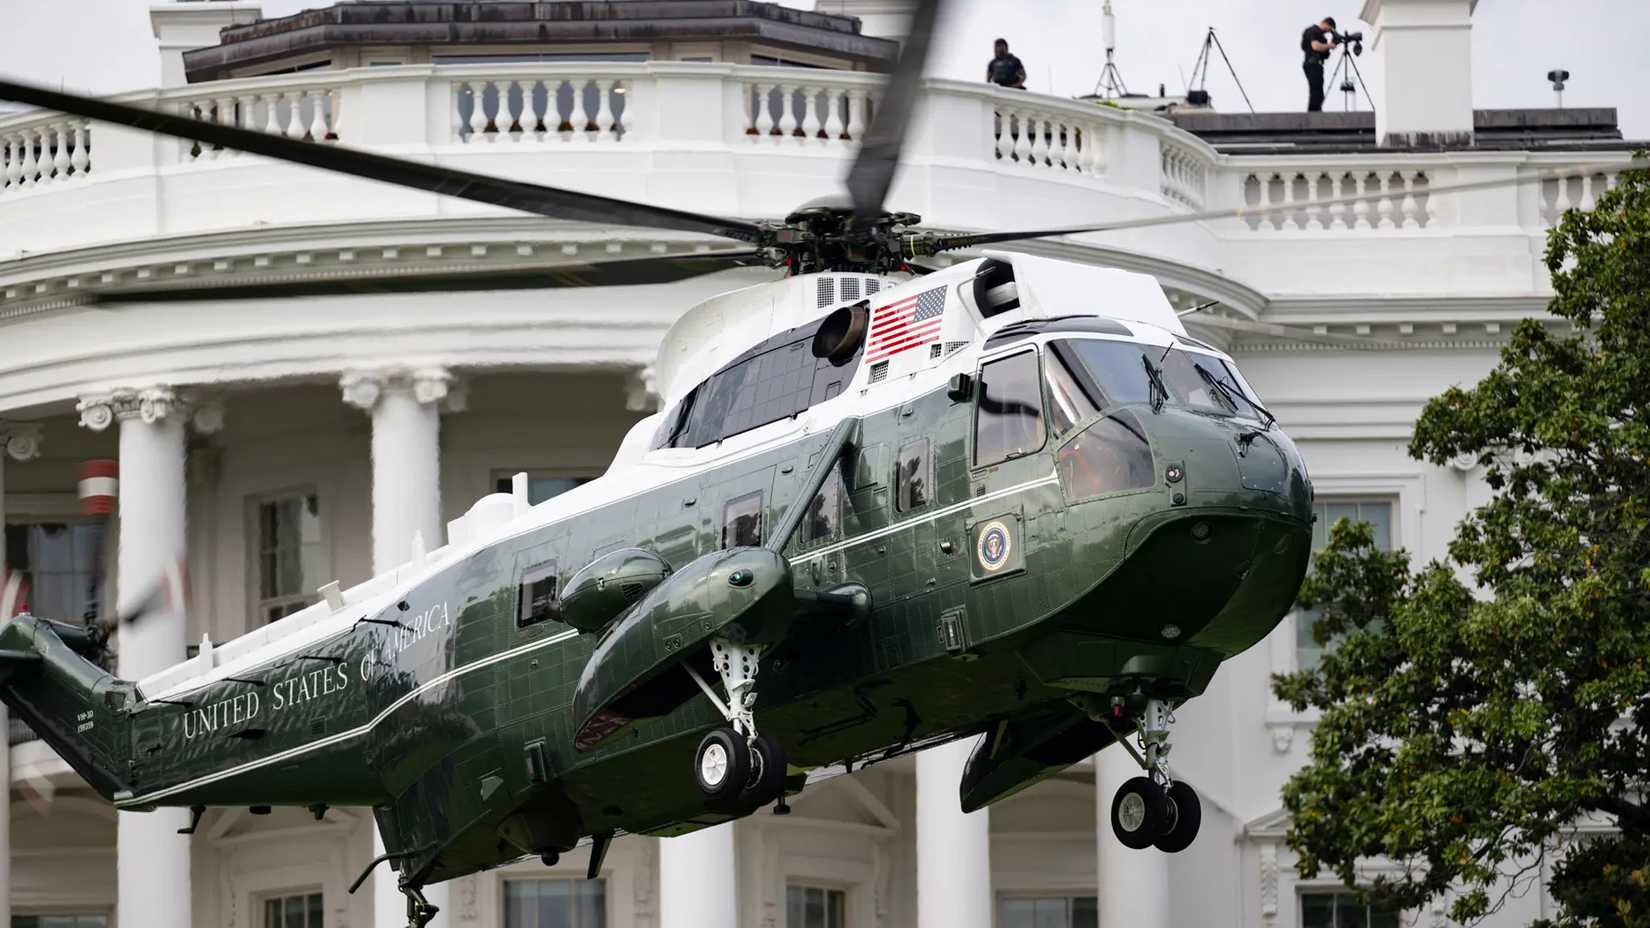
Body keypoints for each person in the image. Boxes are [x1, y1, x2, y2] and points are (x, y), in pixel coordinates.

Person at [1300, 17, 1339, 112]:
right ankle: (1313, 116)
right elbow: (1315, 46)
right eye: (1329, 29)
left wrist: (1332, 44)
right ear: (1326, 23)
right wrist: (1329, 45)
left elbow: (1326, 55)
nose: (1328, 32)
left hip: (1318, 65)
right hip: (1312, 64)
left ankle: (1316, 112)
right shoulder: (1313, 30)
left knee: (1319, 92)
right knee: (1316, 91)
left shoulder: (1322, 38)